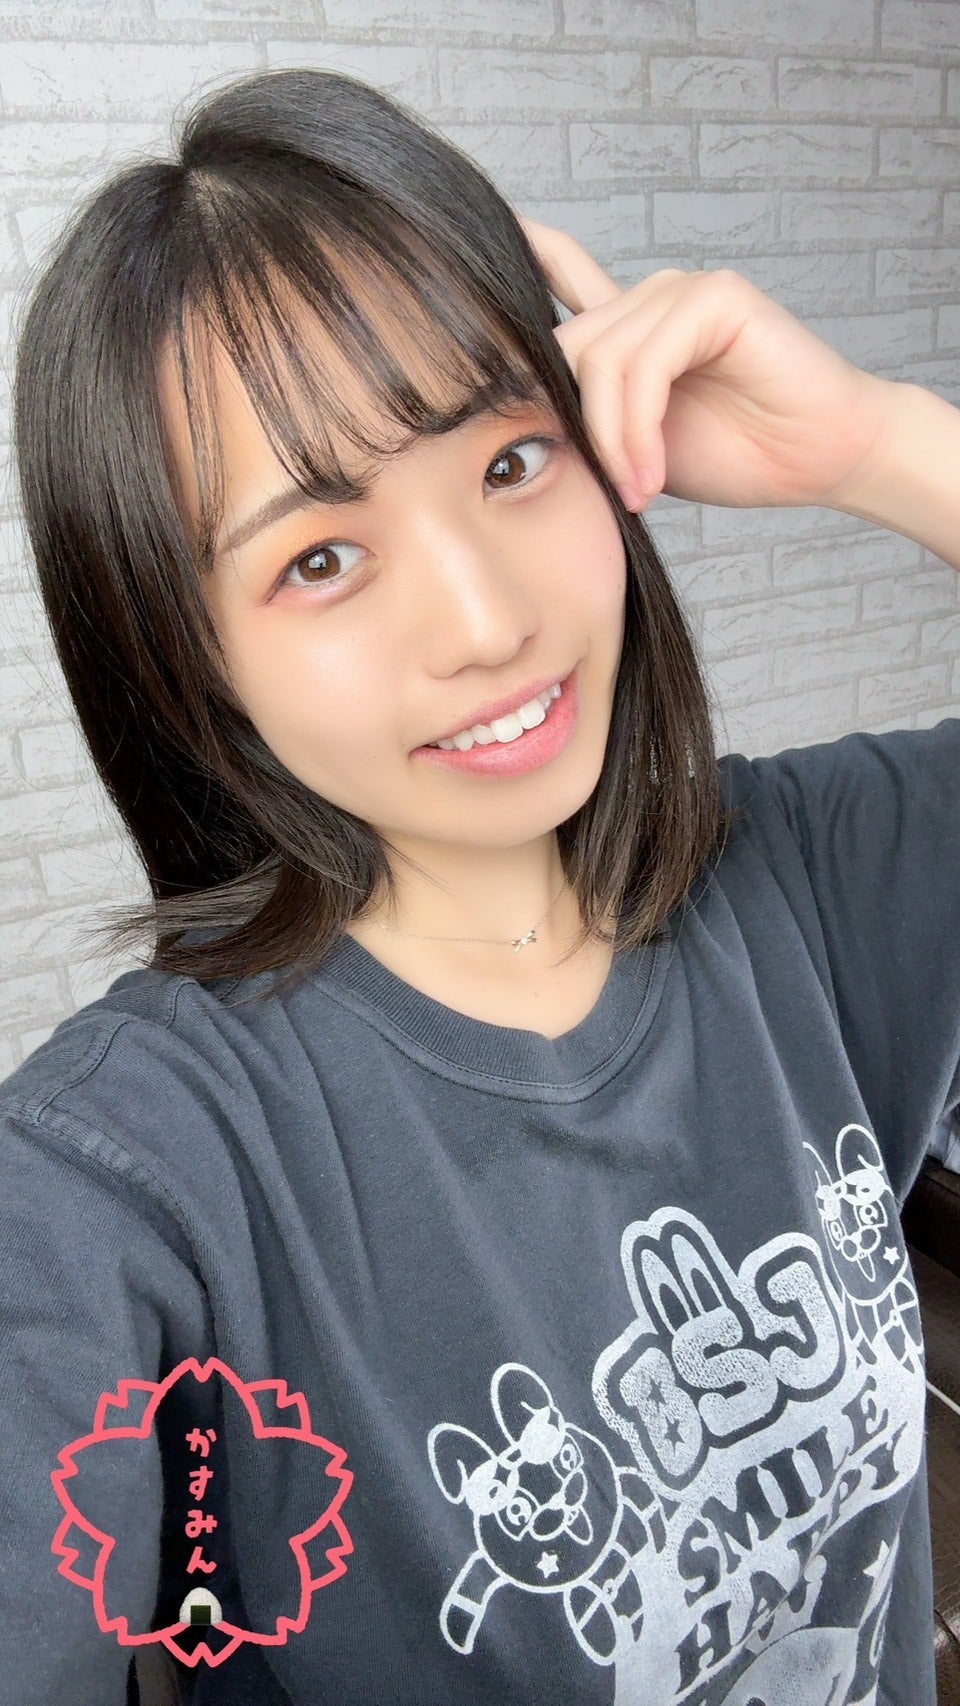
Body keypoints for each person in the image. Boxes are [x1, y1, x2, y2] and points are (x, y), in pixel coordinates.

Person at [1, 64, 957, 1706]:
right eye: (321, 558)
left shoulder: (807, 883)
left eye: (512, 460)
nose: (488, 619)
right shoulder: (130, 1173)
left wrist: (876, 442)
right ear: (185, 660)